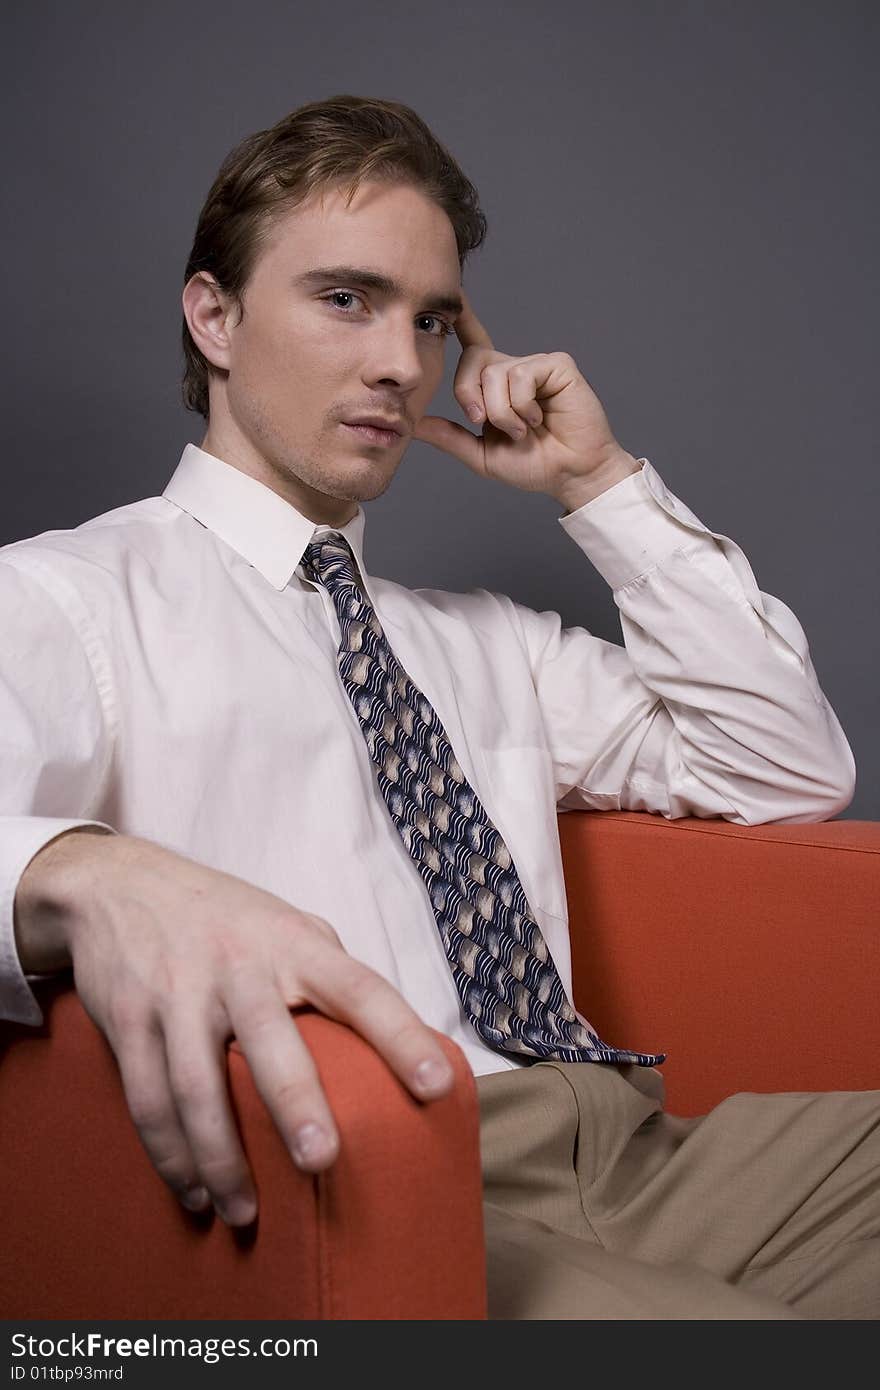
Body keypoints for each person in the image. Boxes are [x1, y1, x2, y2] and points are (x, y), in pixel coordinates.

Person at [2, 94, 876, 1321]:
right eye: (346, 299)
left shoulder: (480, 640)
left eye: (430, 321)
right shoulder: (69, 600)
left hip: (631, 1148)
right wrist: (89, 871)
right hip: (378, 1179)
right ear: (213, 314)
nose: (402, 365)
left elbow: (780, 762)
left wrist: (598, 487)